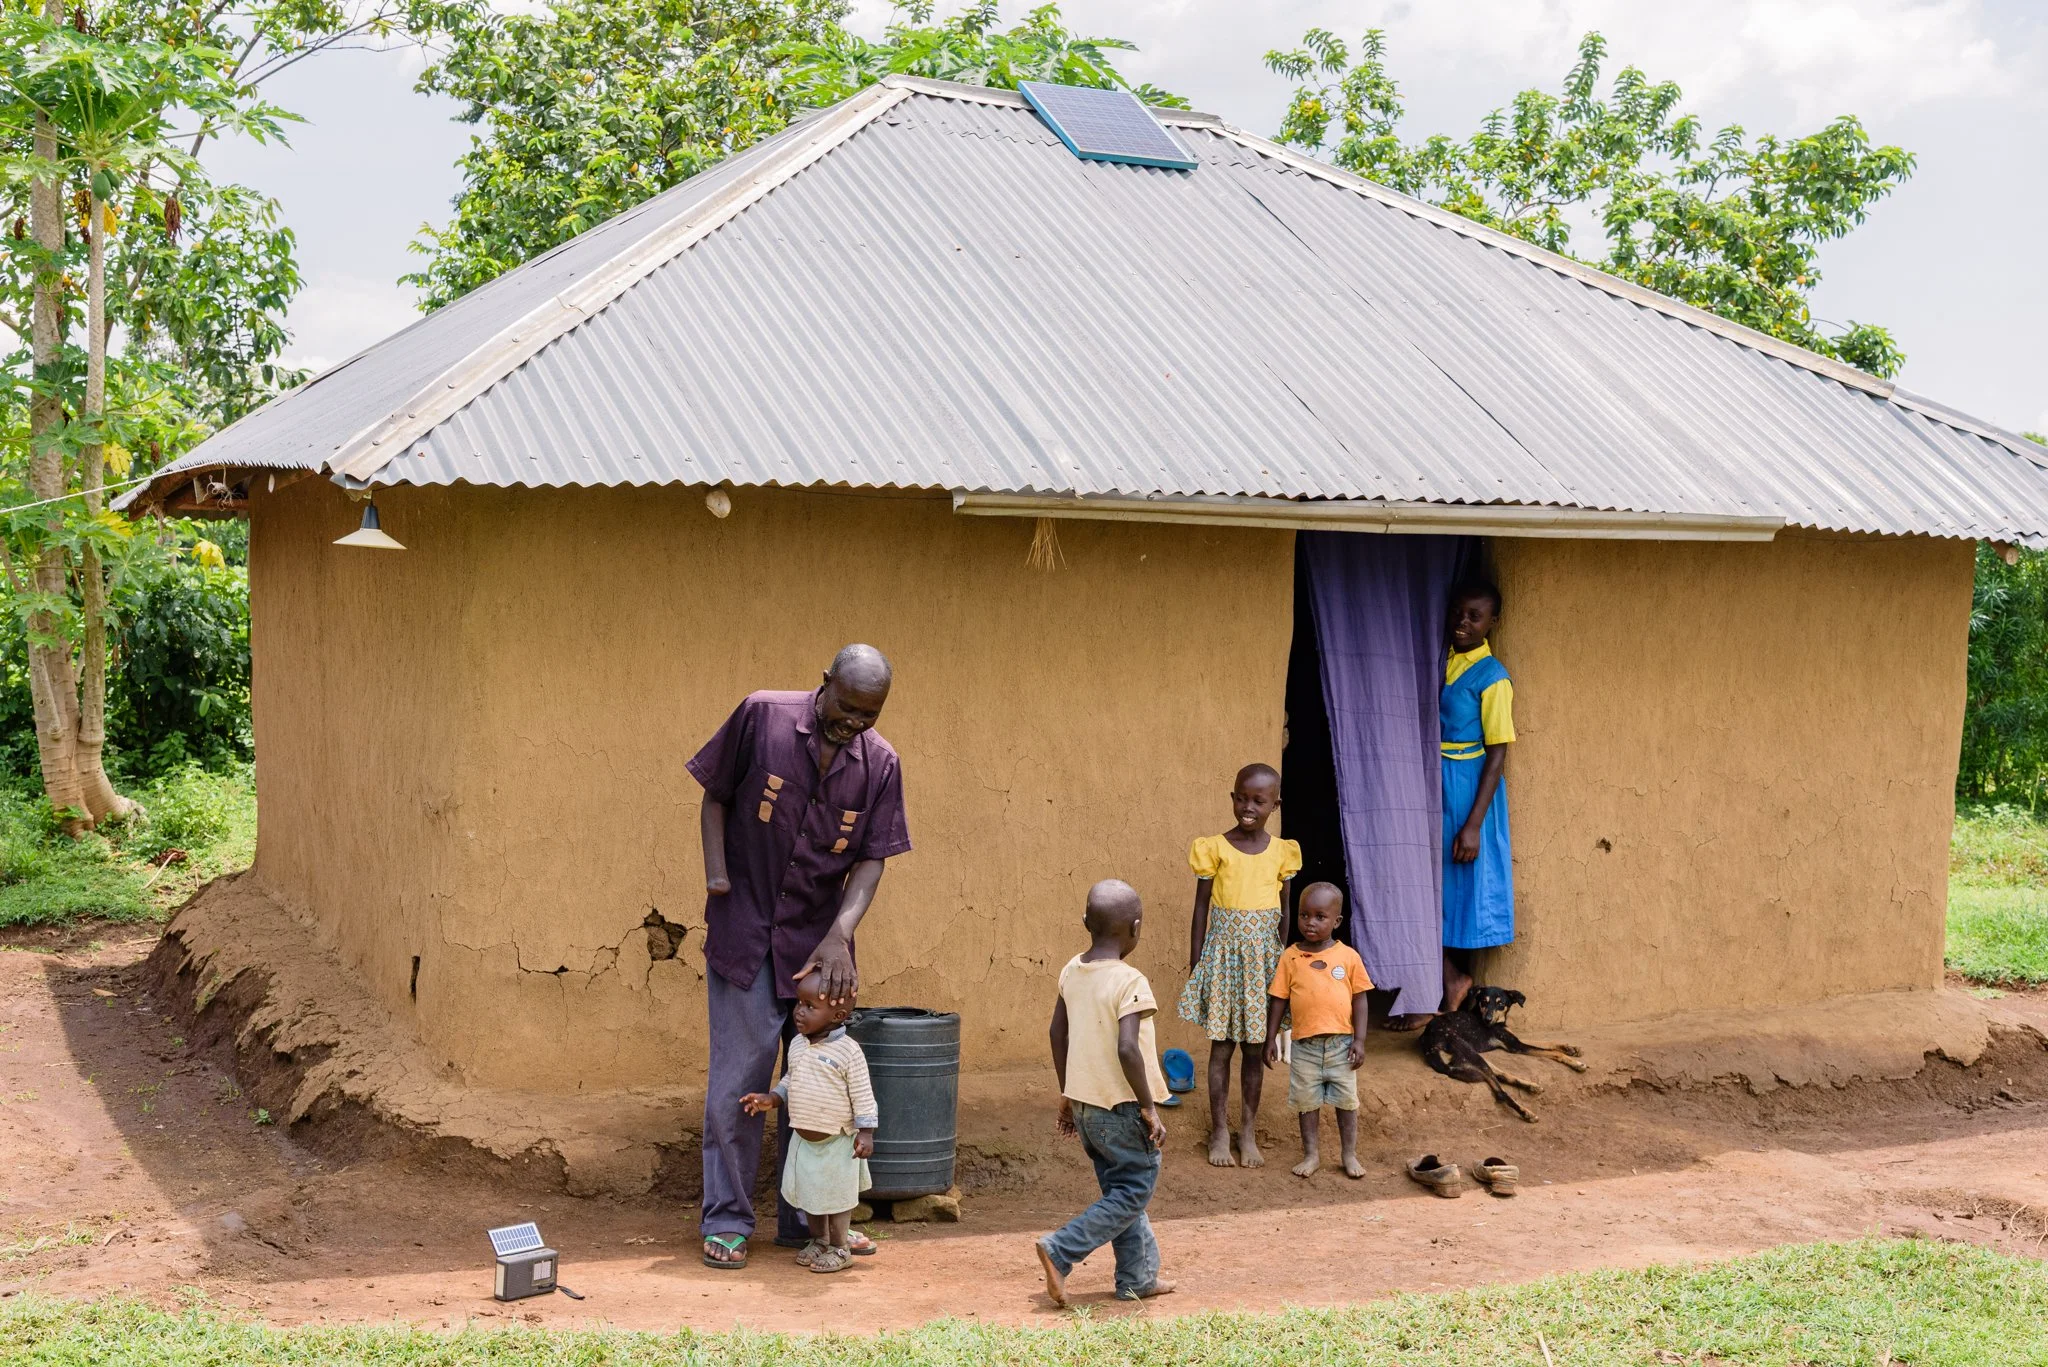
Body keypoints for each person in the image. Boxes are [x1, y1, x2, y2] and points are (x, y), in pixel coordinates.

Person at [689, 644, 911, 1270]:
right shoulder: (762, 717)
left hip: (820, 950)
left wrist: (841, 930)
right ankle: (728, 1220)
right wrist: (716, 874)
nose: (854, 724)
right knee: (738, 1083)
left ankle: (809, 1223)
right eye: (846, 708)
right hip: (746, 932)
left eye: (869, 715)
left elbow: (872, 858)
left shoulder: (882, 763)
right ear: (825, 684)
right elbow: (714, 795)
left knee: (820, 1090)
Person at [1035, 879, 1177, 1308]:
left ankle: (1137, 1279)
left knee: (1121, 1193)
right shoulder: (1131, 980)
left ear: (1085, 923)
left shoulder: (1071, 971)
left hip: (1085, 1108)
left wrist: (1067, 1093)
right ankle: (1061, 1249)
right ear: (1135, 928)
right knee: (1133, 1190)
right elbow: (1127, 1047)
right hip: (1122, 1109)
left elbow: (1056, 1032)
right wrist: (1149, 1106)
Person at [1178, 763, 1301, 1169]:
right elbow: (1200, 909)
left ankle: (1246, 1131)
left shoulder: (1283, 852)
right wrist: (1198, 962)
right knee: (1221, 1048)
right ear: (1233, 798)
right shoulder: (1214, 847)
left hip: (1263, 962)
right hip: (1223, 959)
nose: (1249, 807)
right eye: (1242, 798)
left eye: (1259, 801)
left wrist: (1281, 962)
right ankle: (1218, 1131)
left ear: (1274, 806)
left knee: (1254, 1050)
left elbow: (1285, 913)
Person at [740, 971, 878, 1274]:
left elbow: (863, 1093)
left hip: (837, 1141)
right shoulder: (799, 1045)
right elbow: (792, 1079)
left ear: (838, 1015)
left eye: (810, 1006)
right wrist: (773, 1098)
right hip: (804, 1141)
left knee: (837, 1199)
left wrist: (865, 1132)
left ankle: (841, 1248)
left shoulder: (848, 1052)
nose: (799, 1011)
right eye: (799, 1003)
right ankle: (819, 1240)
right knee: (811, 1196)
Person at [1440, 581, 1515, 1014]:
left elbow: (1498, 750)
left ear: (1493, 623)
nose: (1463, 623)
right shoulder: (1442, 660)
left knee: (1460, 880)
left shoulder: (1493, 678)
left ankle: (1452, 978)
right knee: (1430, 883)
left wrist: (1473, 824)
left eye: (1475, 616)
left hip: (1468, 785)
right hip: (1435, 780)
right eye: (1458, 613)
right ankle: (1444, 976)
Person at [1263, 883, 1371, 1179]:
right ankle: (1311, 1154)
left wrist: (1359, 1040)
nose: (1310, 922)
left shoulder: (1348, 957)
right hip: (1304, 1047)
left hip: (1342, 1045)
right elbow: (1278, 1000)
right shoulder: (1290, 957)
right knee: (1306, 1102)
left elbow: (1360, 999)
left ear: (1336, 921)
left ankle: (1348, 1154)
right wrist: (1270, 1037)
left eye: (1320, 916)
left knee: (1347, 1102)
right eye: (1304, 915)